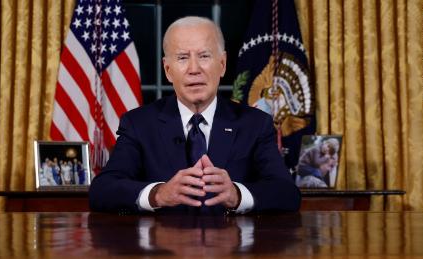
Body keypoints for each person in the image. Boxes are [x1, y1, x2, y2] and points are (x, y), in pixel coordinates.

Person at [89, 16, 301, 215]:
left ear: (222, 64)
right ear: (168, 70)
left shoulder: (255, 124)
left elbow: (287, 193)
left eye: (204, 56)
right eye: (182, 57)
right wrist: (159, 194)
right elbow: (102, 190)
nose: (194, 69)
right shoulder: (139, 124)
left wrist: (236, 195)